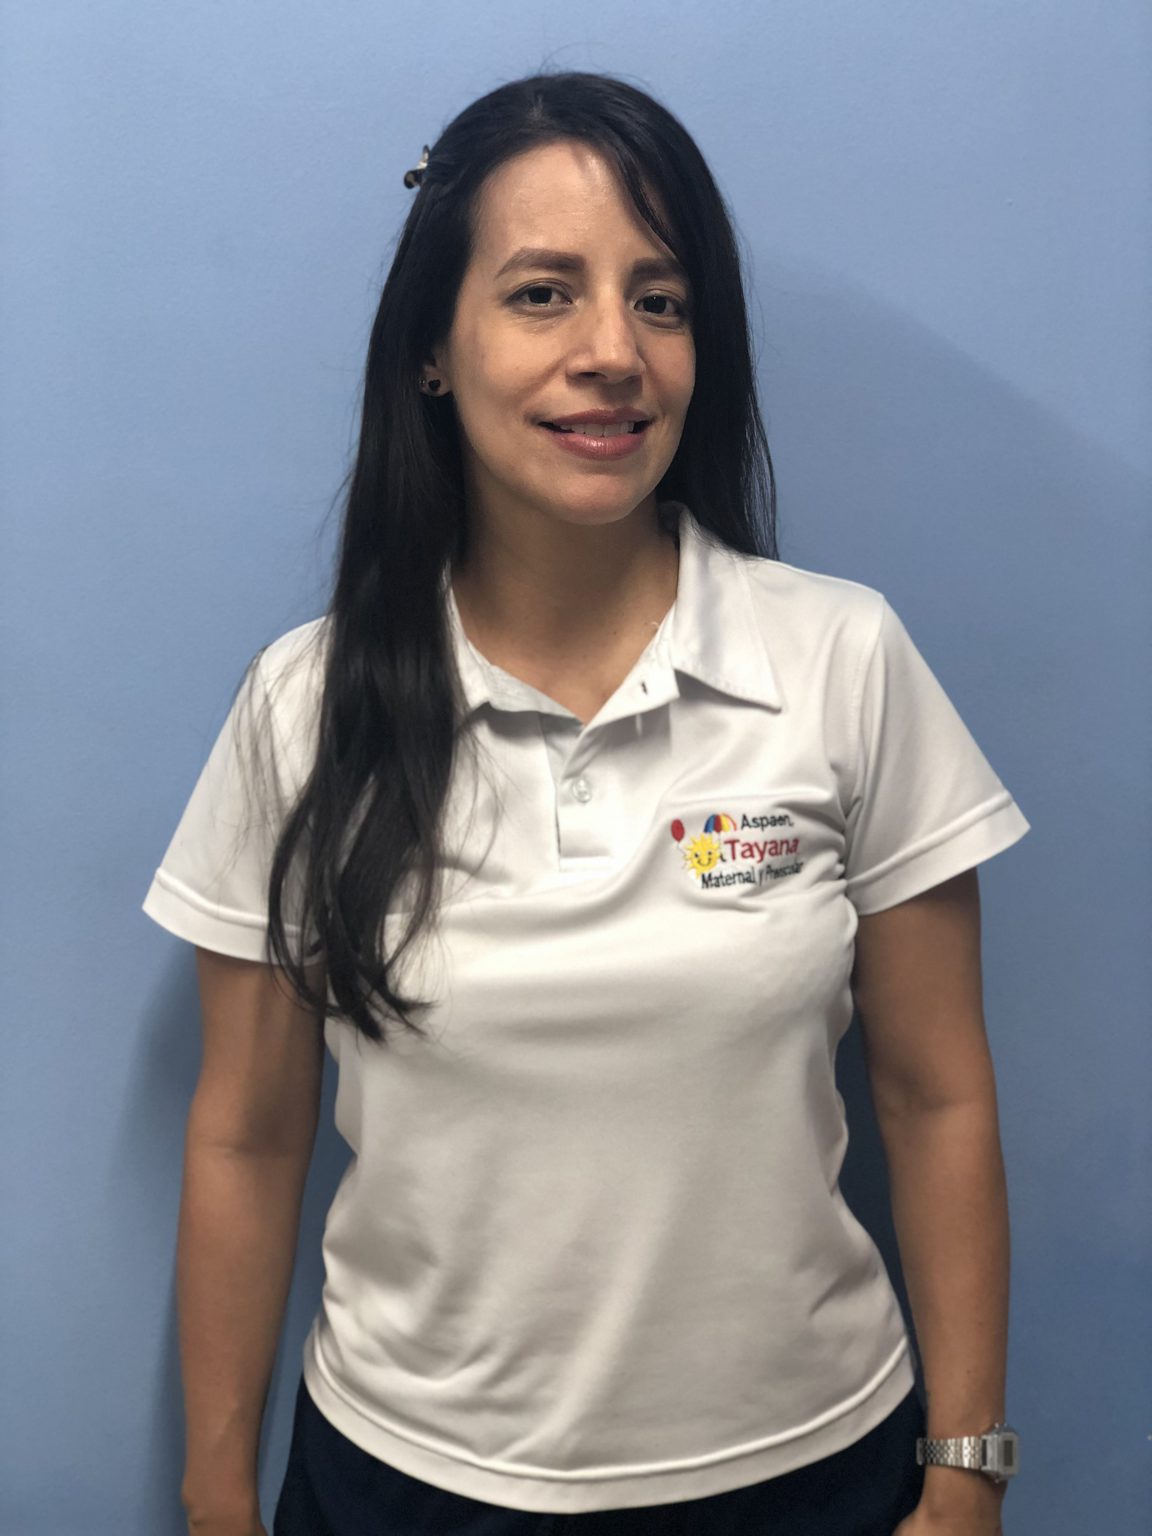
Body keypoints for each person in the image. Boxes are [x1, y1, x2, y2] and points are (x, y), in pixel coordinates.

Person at [143, 70, 1028, 1536]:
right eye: (543, 294)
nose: (613, 352)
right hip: (405, 1486)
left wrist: (967, 1468)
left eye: (661, 302)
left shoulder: (843, 659)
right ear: (434, 350)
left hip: (811, 1476)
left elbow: (936, 1095)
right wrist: (216, 1501)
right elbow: (245, 1136)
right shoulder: (304, 709)